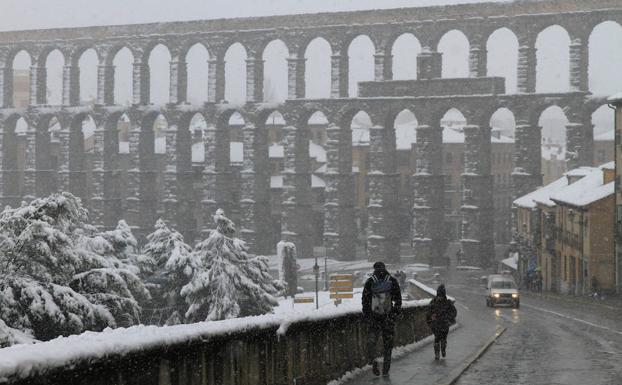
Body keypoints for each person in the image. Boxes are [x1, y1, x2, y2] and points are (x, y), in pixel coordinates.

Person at [362, 262, 402, 376]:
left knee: (371, 343)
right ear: (385, 268)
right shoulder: (392, 281)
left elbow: (365, 301)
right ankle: (386, 368)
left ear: (374, 269)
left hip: (374, 318)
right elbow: (398, 300)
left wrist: (368, 316)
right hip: (388, 318)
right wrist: (393, 314)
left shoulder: (370, 282)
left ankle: (373, 360)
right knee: (388, 345)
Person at [426, 284, 457, 360]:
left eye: (441, 295)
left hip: (444, 324)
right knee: (437, 338)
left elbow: (454, 312)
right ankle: (437, 353)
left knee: (443, 338)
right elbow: (428, 313)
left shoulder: (447, 303)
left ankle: (443, 349)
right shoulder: (433, 302)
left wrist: (449, 318)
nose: (440, 297)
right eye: (439, 295)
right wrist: (430, 317)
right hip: (436, 325)